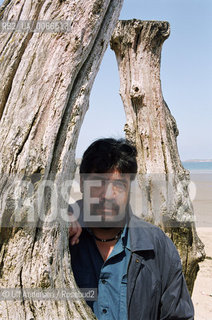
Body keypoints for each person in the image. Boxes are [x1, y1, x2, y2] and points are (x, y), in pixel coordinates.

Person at [69, 138, 194, 320]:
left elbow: (179, 316)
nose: (108, 195)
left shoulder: (156, 245)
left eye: (119, 185)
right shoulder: (61, 240)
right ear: (82, 184)